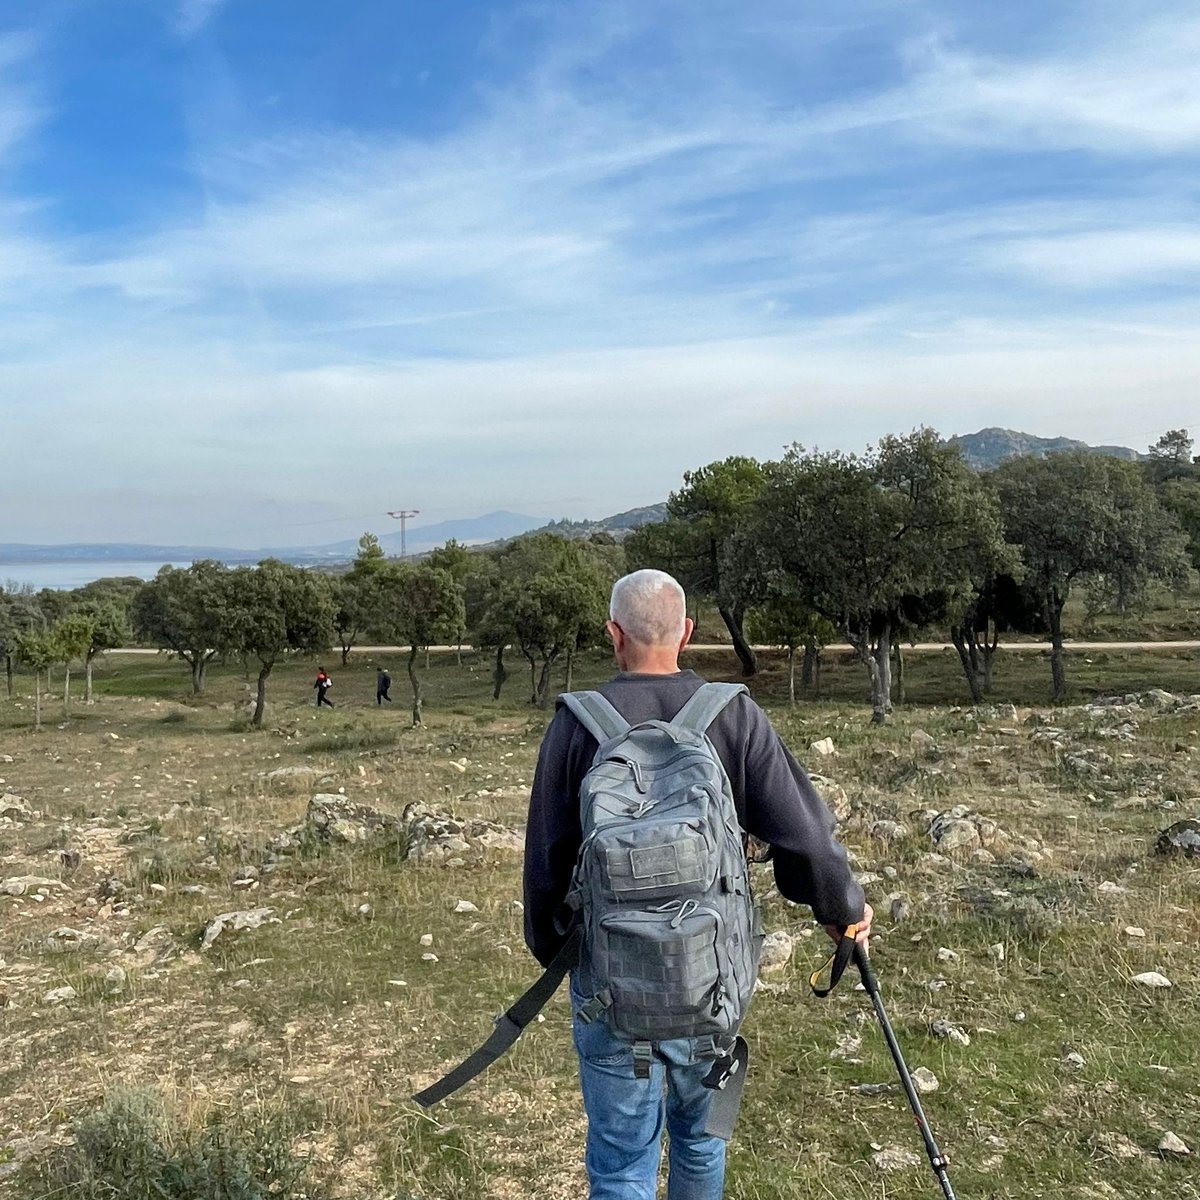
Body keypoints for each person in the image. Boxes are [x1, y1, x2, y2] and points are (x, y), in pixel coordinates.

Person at [523, 569, 872, 1200]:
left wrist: (564, 955)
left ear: (613, 634)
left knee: (621, 1162)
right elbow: (809, 839)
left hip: (611, 996)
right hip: (712, 989)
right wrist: (841, 909)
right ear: (686, 632)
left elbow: (546, 866)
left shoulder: (575, 724)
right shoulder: (734, 715)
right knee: (702, 1141)